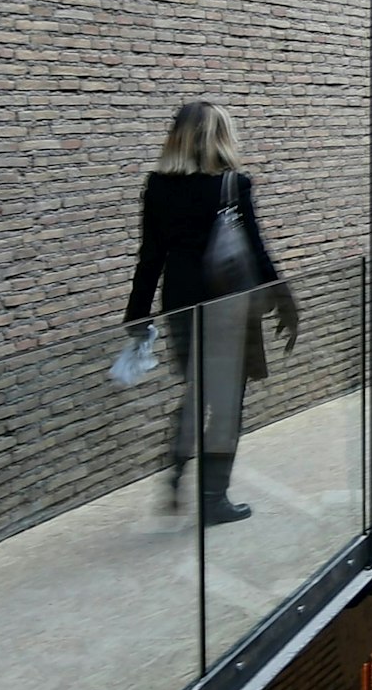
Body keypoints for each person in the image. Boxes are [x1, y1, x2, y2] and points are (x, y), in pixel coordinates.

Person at [122, 100, 294, 526]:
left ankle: (178, 469)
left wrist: (137, 314)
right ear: (221, 136)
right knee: (227, 403)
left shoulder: (158, 186)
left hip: (180, 303)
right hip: (228, 304)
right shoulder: (234, 184)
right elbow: (255, 248)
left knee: (198, 390)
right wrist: (283, 298)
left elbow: (150, 257)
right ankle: (213, 498)